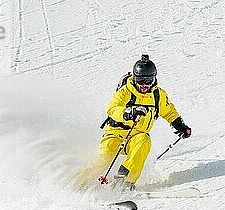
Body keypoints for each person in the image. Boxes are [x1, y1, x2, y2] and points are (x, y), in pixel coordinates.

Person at [82, 54, 191, 191]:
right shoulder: (126, 91)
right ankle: (79, 184)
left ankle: (125, 182)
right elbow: (112, 108)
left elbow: (169, 111)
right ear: (134, 78)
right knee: (103, 160)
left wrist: (179, 125)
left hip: (136, 137)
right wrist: (129, 112)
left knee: (144, 140)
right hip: (116, 134)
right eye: (140, 80)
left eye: (148, 81)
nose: (144, 85)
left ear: (154, 79)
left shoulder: (158, 95)